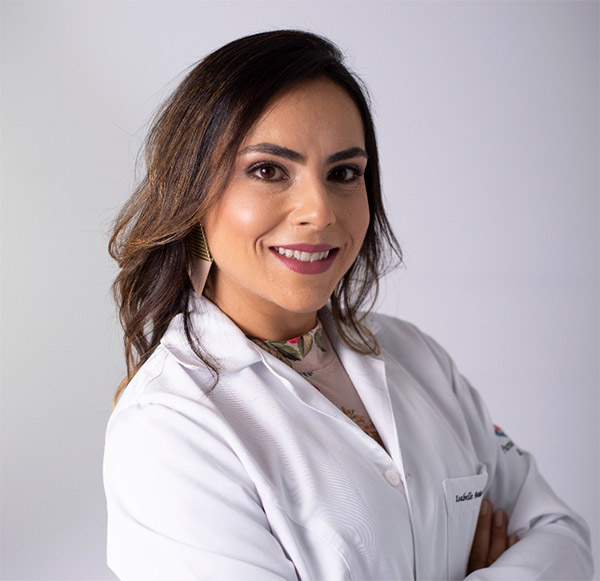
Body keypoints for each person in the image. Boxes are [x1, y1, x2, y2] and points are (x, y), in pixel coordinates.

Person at [103, 30, 593, 580]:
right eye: (268, 170)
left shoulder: (416, 356)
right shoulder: (168, 428)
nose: (320, 211)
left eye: (343, 174)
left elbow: (564, 540)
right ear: (191, 194)